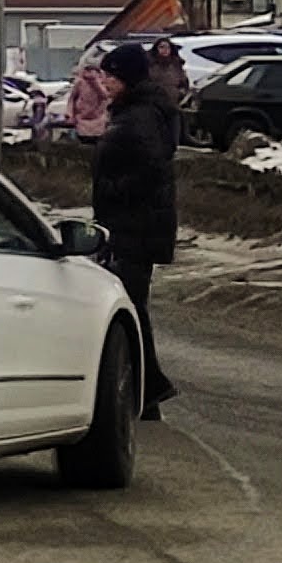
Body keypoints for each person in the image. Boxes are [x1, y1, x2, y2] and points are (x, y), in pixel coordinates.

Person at [87, 38, 184, 414]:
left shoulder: (140, 116)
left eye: (111, 76)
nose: (105, 83)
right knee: (130, 308)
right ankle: (146, 392)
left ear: (128, 77)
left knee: (129, 310)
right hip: (132, 225)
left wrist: (112, 191)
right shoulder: (133, 111)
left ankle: (149, 389)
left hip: (136, 227)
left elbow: (150, 169)